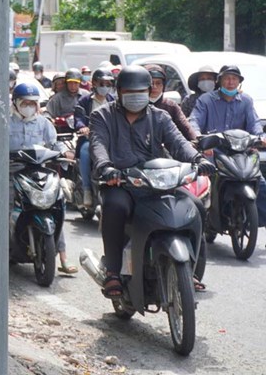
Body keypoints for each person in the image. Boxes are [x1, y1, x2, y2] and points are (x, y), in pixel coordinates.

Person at [90, 65, 214, 298]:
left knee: (195, 206)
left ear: (149, 91)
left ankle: (193, 272)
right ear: (118, 91)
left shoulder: (160, 116)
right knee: (114, 207)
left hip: (156, 182)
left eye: (141, 91)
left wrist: (198, 159)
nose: (136, 96)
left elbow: (179, 143)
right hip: (121, 183)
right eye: (129, 91)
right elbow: (98, 145)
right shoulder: (102, 116)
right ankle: (113, 273)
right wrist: (106, 168)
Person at [9, 84, 77, 274]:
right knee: (3, 206)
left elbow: (54, 143)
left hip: (39, 172)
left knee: (55, 204)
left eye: (33, 103)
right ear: (16, 103)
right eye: (25, 103)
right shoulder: (5, 122)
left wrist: (66, 153)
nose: (29, 106)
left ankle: (62, 257)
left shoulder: (44, 123)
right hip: (11, 172)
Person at [188, 65, 266, 228]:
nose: (231, 82)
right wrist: (200, 139)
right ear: (220, 81)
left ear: (239, 82)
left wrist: (261, 137)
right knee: (202, 182)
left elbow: (255, 124)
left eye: (234, 79)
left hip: (241, 152)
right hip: (214, 152)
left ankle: (259, 223)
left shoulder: (246, 101)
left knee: (261, 183)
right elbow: (194, 121)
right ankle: (200, 223)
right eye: (227, 78)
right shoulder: (206, 100)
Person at [73, 68, 115, 208]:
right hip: (89, 139)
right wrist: (82, 127)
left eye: (108, 84)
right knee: (86, 150)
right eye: (102, 83)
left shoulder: (113, 101)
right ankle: (87, 190)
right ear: (95, 83)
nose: (105, 87)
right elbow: (78, 118)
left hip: (110, 140)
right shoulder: (85, 100)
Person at [144, 64, 196, 142]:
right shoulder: (136, 105)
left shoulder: (170, 106)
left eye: (158, 83)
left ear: (163, 85)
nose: (154, 87)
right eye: (151, 83)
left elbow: (185, 127)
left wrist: (197, 140)